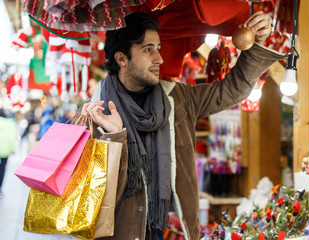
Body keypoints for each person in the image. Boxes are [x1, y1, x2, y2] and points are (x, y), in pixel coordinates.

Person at [82, 11, 283, 240]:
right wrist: (115, 136)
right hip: (120, 233)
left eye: (158, 48)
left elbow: (233, 90)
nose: (159, 59)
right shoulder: (94, 113)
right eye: (148, 50)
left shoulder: (179, 98)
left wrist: (258, 42)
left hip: (168, 230)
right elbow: (94, 194)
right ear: (121, 59)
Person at [0, 108, 16, 198]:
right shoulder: (10, 123)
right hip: (5, 151)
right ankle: (0, 188)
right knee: (2, 169)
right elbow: (11, 138)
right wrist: (12, 149)